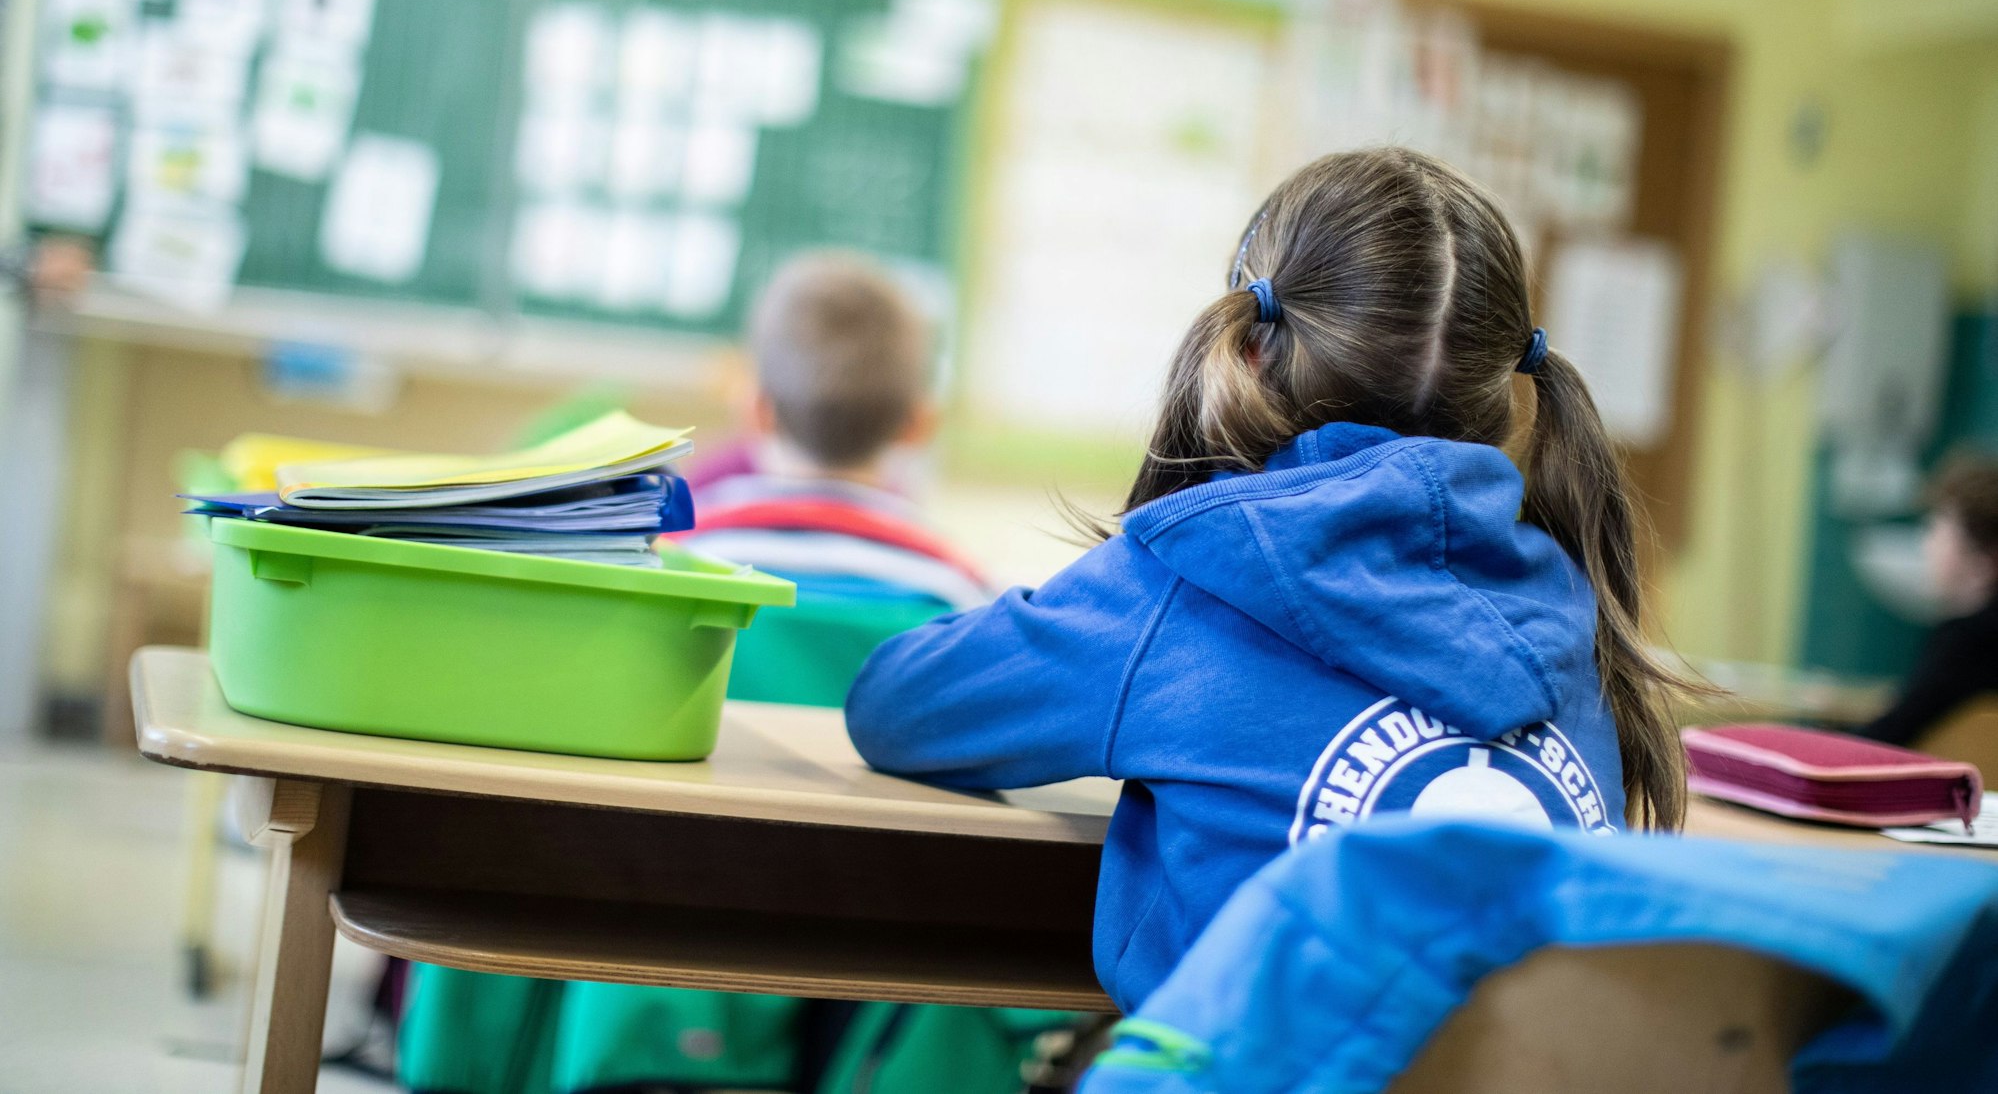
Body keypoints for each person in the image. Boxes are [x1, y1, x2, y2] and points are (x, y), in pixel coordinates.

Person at [844, 147, 1699, 1015]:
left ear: (1251, 349)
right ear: (1508, 389)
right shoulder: (1572, 605)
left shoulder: (1183, 578)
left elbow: (896, 707)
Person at [398, 253, 1066, 1094]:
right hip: (854, 1011)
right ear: (919, 424)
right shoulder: (967, 613)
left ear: (751, 404)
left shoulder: (661, 582)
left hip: (634, 980)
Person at [1857, 454, 1998, 747]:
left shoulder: (1965, 642)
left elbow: (1889, 736)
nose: (1926, 544)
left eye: (1938, 529)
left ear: (1984, 561)